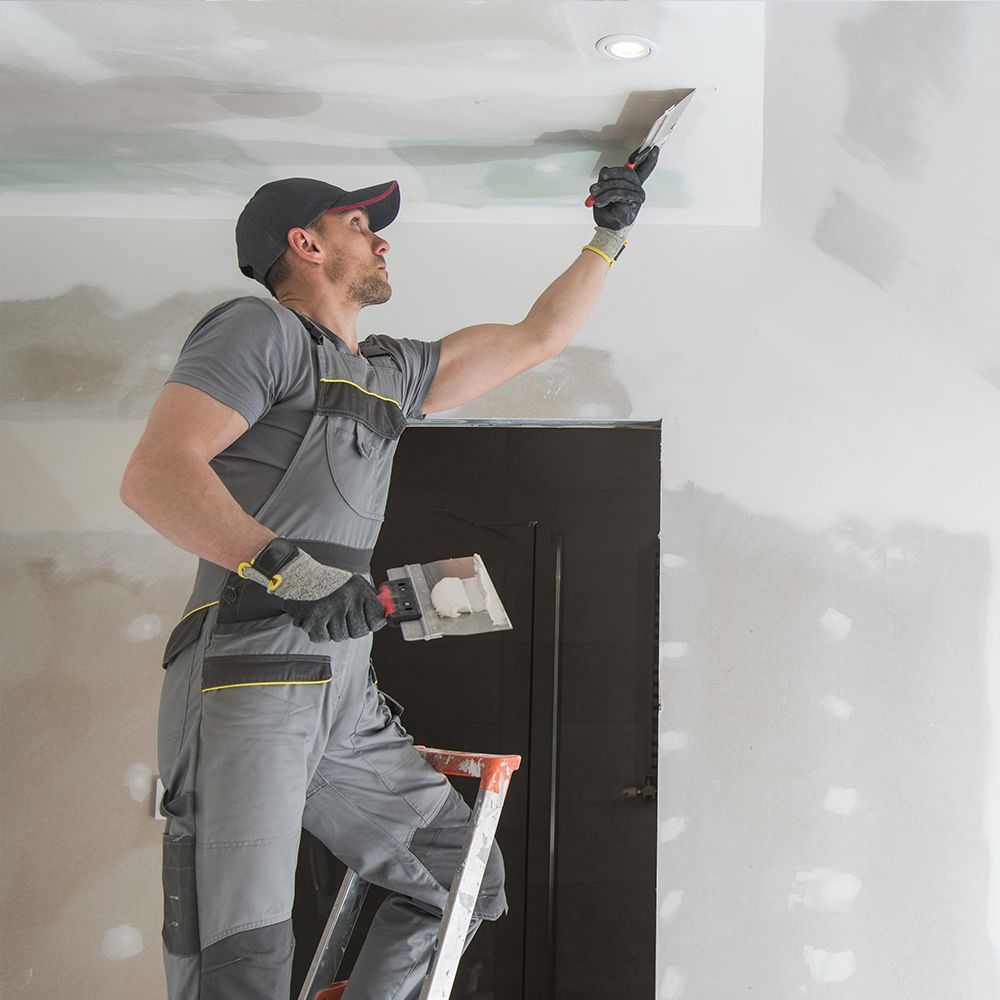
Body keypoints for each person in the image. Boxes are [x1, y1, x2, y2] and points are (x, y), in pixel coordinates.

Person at [120, 147, 658, 1000]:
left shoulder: (389, 373)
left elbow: (538, 337)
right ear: (305, 243)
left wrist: (607, 235)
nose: (382, 244)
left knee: (462, 878)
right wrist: (290, 574)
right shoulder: (258, 331)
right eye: (362, 226)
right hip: (249, 671)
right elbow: (155, 475)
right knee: (240, 952)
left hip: (341, 688)